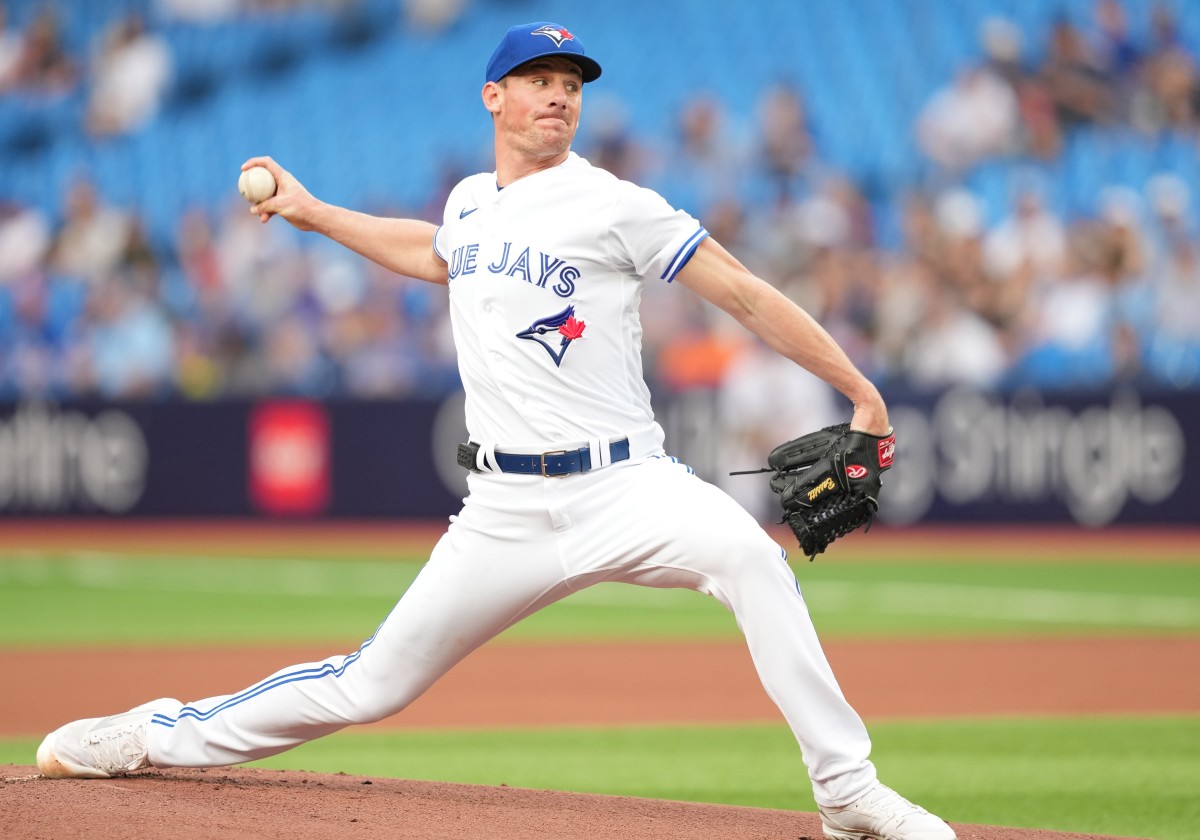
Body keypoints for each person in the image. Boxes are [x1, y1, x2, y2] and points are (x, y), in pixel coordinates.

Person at [36, 22, 956, 840]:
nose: (560, 95)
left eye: (572, 83)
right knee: (372, 684)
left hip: (626, 486)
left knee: (753, 560)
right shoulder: (472, 201)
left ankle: (847, 791)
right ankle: (154, 733)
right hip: (504, 508)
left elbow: (745, 293)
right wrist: (312, 213)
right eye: (540, 79)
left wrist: (859, 391)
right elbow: (435, 251)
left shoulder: (617, 203)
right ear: (493, 96)